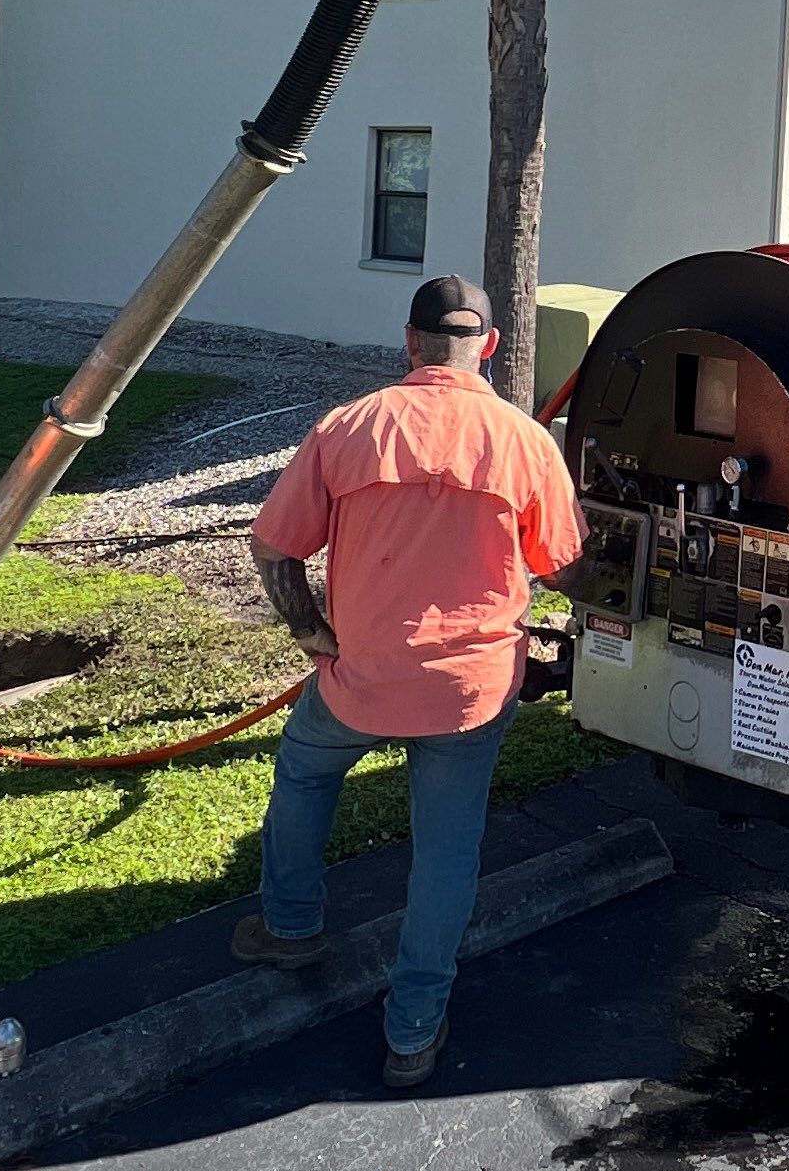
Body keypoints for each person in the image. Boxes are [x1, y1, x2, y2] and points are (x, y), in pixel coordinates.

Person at [238, 273, 579, 1089]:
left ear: (409, 341)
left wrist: (309, 632)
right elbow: (562, 566)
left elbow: (273, 548)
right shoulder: (526, 440)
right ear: (489, 347)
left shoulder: (348, 425)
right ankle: (413, 1031)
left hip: (359, 679)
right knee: (446, 853)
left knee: (303, 773)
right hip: (470, 691)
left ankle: (291, 930)